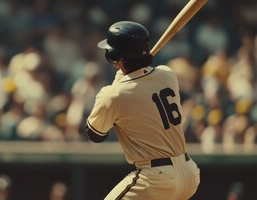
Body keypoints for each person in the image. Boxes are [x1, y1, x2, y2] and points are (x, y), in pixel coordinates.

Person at [85, 21, 200, 200]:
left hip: (155, 178)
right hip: (189, 172)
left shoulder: (112, 94)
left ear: (115, 58)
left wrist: (117, 80)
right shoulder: (168, 74)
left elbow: (95, 135)